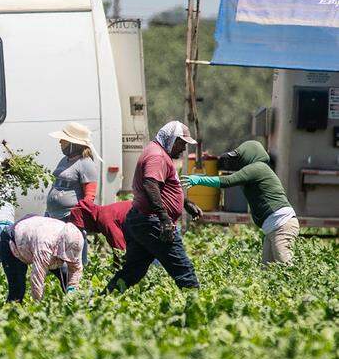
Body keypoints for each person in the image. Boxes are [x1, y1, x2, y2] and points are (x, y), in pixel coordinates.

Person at [105, 121, 203, 293]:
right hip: (153, 222)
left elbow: (162, 186)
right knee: (184, 270)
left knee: (132, 272)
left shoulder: (158, 153)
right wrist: (164, 218)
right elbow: (150, 184)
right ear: (171, 139)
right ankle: (197, 309)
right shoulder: (157, 156)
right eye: (182, 143)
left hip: (144, 220)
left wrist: (186, 204)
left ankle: (101, 301)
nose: (183, 149)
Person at [182, 140, 297, 264]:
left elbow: (227, 181)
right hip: (274, 226)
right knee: (268, 271)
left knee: (286, 267)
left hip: (281, 225)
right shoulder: (257, 169)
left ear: (250, 155)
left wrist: (199, 180)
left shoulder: (257, 168)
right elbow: (230, 177)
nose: (239, 161)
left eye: (241, 157)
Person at [0, 215, 85, 302]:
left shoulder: (76, 239)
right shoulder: (45, 246)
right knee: (17, 290)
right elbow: (37, 278)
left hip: (35, 231)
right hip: (13, 240)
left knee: (66, 275)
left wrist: (72, 289)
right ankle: (11, 312)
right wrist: (39, 305)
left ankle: (71, 302)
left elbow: (76, 268)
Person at [45, 122, 100, 220]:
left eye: (64, 139)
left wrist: (78, 217)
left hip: (69, 217)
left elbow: (89, 197)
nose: (60, 142)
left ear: (73, 144)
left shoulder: (86, 163)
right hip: (52, 214)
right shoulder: (64, 160)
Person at [68, 199, 134, 252]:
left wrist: (117, 266)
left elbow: (120, 249)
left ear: (87, 220)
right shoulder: (103, 212)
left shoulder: (104, 219)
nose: (89, 231)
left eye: (86, 227)